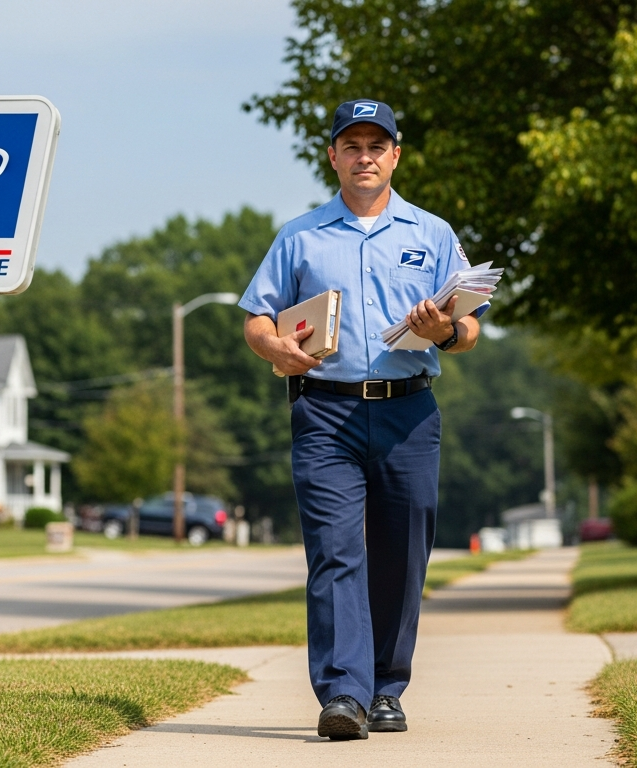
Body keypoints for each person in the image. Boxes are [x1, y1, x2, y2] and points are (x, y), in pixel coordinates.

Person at [237, 99, 484, 740]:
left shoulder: (433, 234)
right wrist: (274, 348)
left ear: (396, 155)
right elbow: (257, 318)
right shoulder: (299, 236)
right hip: (325, 412)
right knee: (335, 552)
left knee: (403, 554)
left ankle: (386, 689)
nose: (364, 157)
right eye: (352, 146)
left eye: (377, 146)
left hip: (409, 412)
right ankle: (343, 693)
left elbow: (470, 329)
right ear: (333, 157)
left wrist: (446, 328)